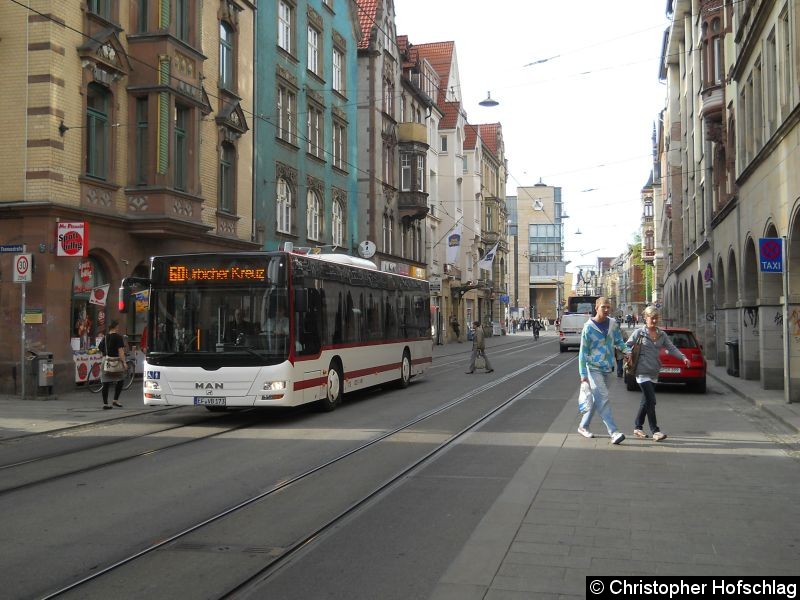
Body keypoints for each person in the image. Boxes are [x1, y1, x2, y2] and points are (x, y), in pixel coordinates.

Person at [627, 305, 690, 441]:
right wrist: (628, 354)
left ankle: (638, 427)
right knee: (651, 400)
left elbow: (671, 348)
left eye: (656, 318)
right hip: (642, 372)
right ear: (646, 318)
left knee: (645, 401)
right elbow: (626, 345)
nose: (655, 321)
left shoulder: (662, 334)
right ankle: (656, 431)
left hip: (654, 372)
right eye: (652, 318)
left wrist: (683, 357)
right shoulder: (639, 333)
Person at [577, 297, 629, 444]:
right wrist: (583, 374)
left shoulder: (613, 324)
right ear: (596, 307)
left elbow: (619, 341)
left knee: (596, 399)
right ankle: (614, 432)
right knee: (603, 398)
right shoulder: (588, 327)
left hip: (608, 367)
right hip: (593, 368)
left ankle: (583, 426)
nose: (606, 310)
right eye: (603, 307)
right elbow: (583, 352)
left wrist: (627, 351)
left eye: (608, 307)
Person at [98, 320, 126, 409]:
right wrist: (124, 362)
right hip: (116, 362)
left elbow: (100, 347)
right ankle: (115, 400)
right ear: (116, 327)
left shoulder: (105, 337)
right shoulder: (118, 337)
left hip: (105, 361)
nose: (118, 328)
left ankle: (105, 404)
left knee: (105, 383)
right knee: (121, 379)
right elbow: (121, 351)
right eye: (118, 326)